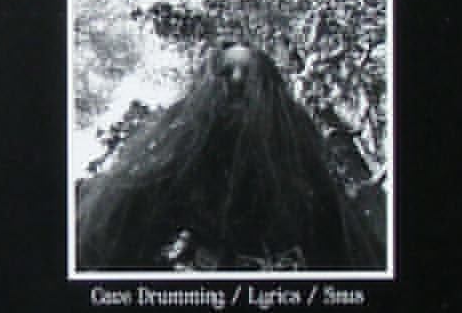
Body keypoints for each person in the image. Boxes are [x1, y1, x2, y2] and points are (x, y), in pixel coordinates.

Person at [76, 43, 384, 272]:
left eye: (248, 74)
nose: (236, 80)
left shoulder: (300, 164)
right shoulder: (177, 162)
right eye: (226, 72)